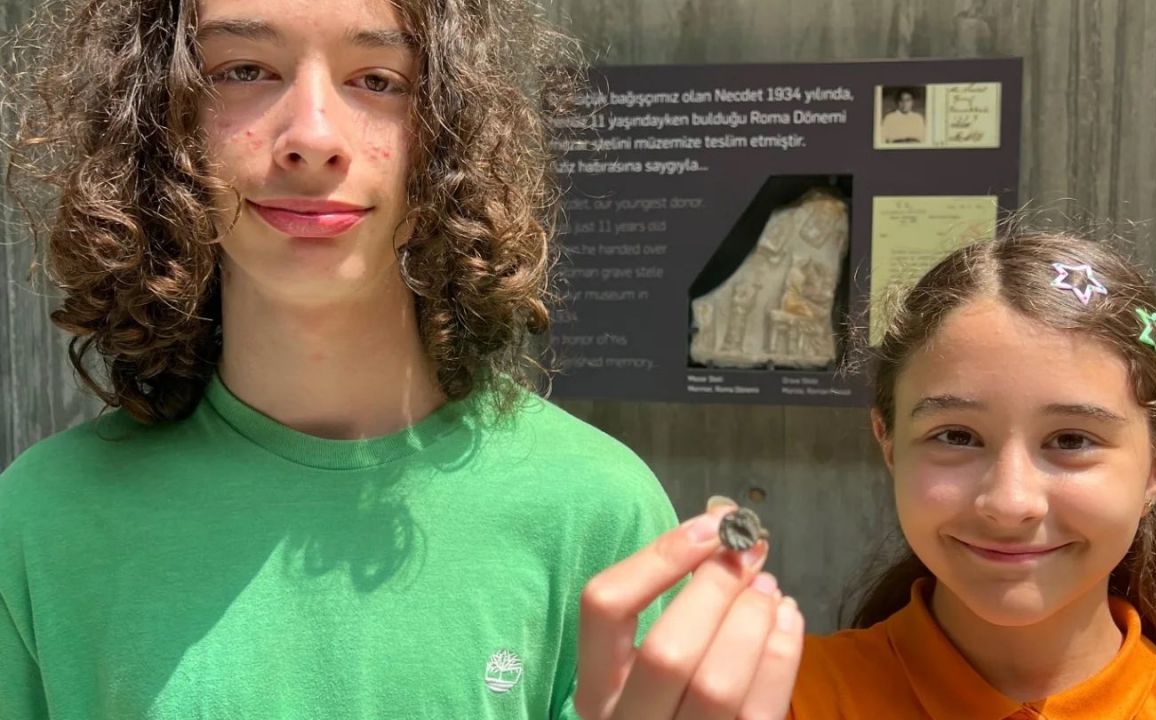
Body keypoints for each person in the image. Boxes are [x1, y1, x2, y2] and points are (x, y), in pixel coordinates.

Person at [0, 0, 675, 717]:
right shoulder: (40, 524)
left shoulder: (596, 515)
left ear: (453, 130)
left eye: (378, 80)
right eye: (245, 70)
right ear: (157, 124)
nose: (314, 138)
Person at [577, 233, 1156, 718]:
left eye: (1071, 440)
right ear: (888, 442)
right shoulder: (766, 703)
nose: (1009, 502)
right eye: (956, 436)